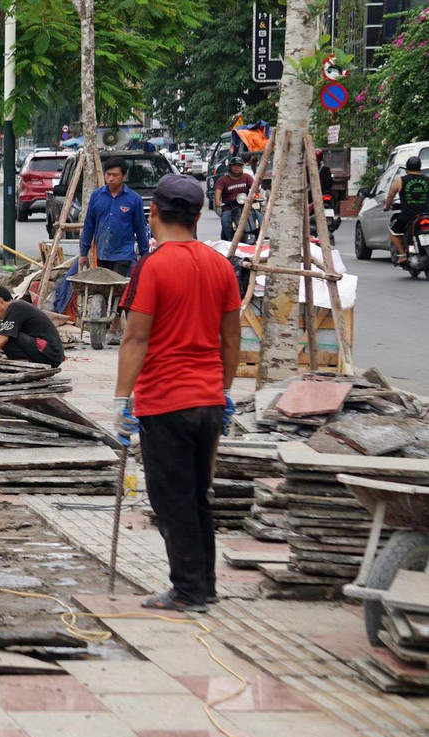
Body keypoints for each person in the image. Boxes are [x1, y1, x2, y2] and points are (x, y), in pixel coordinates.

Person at [114, 174, 241, 613]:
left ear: (153, 214)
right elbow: (231, 338)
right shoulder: (221, 265)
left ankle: (188, 590)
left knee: (172, 500)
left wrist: (120, 399)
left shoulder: (152, 265)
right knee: (197, 494)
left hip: (166, 400)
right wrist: (224, 391)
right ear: (198, 216)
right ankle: (203, 585)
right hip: (208, 400)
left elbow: (136, 338)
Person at [79, 158, 150, 277]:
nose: (111, 178)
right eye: (108, 174)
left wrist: (145, 256)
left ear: (124, 176)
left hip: (123, 255)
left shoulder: (134, 199)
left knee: (117, 289)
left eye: (115, 175)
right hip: (102, 253)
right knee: (103, 290)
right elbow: (89, 225)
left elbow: (140, 229)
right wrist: (84, 253)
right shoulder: (96, 196)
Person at [0, 287, 64, 368]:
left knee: (5, 334)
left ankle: (22, 362)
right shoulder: (17, 306)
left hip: (50, 354)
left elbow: (3, 338)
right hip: (49, 354)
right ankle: (21, 360)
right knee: (1, 330)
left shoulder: (15, 307)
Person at [386, 156, 429, 267]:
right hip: (426, 215)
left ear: (407, 168)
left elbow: (390, 196)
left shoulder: (401, 180)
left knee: (393, 231)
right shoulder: (427, 180)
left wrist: (387, 206)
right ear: (420, 168)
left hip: (408, 216)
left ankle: (402, 255)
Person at [213, 156, 257, 242]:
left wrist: (256, 195)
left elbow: (254, 189)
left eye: (239, 166)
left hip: (246, 207)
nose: (237, 168)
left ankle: (259, 237)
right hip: (229, 208)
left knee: (259, 216)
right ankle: (230, 240)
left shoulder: (247, 177)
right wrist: (218, 201)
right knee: (225, 219)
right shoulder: (223, 180)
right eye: (235, 166)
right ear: (230, 167)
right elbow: (218, 192)